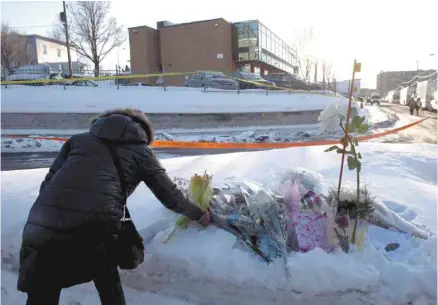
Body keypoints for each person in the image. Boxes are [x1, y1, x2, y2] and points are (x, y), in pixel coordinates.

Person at [17, 108, 211, 305]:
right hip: (95, 224)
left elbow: (47, 183)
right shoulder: (141, 152)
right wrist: (200, 214)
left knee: (42, 286)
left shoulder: (78, 141)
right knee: (105, 272)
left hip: (42, 220)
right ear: (143, 131)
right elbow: (170, 195)